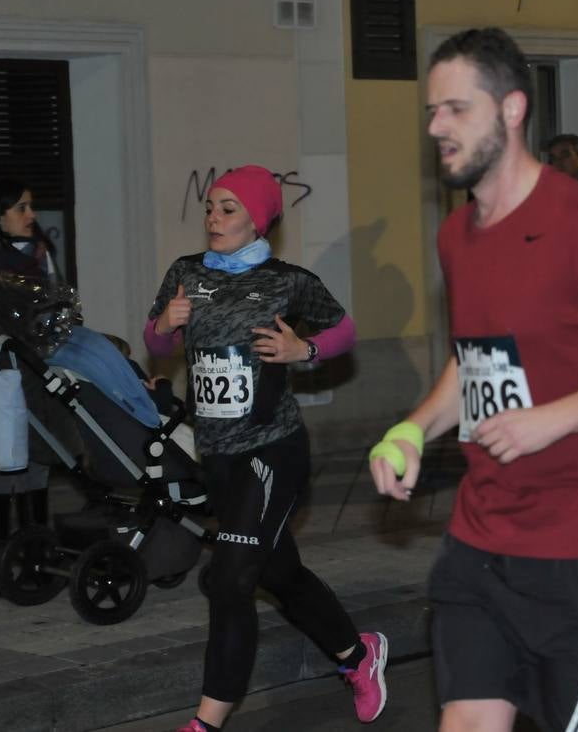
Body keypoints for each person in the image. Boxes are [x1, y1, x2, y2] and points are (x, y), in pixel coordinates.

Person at [368, 28, 578, 732]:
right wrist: (412, 428)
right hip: (481, 543)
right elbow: (473, 358)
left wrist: (556, 417)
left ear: (513, 109)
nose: (436, 127)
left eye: (456, 109)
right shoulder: (457, 236)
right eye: (432, 111)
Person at [145, 165, 385, 731]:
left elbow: (343, 331)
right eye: (210, 206)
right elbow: (157, 338)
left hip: (272, 450)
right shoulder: (186, 273)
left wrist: (304, 349)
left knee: (230, 579)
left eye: (229, 209)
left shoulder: (288, 280)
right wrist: (165, 323)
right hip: (219, 456)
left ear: (259, 220)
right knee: (278, 573)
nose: (214, 218)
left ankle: (205, 723)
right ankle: (359, 654)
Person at [0, 179, 72, 590]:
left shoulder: (42, 257)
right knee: (0, 466)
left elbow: (59, 310)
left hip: (39, 375)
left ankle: (36, 561)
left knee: (36, 464)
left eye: (31, 206)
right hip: (1, 378)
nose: (31, 216)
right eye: (21, 208)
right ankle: (2, 567)